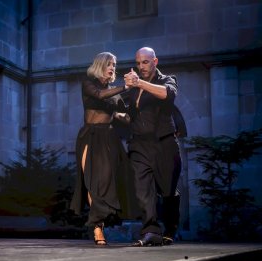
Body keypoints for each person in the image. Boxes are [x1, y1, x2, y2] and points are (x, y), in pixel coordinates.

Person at [124, 47, 182, 246]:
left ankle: (170, 228)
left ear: (155, 61)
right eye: (138, 63)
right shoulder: (132, 88)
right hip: (139, 145)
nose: (141, 67)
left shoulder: (167, 79)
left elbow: (167, 95)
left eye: (145, 62)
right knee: (143, 191)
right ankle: (151, 231)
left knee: (168, 191)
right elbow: (129, 114)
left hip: (164, 143)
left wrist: (140, 83)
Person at [70, 52, 130, 245]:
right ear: (100, 65)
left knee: (106, 181)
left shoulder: (114, 92)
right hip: (89, 136)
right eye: (109, 64)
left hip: (109, 138)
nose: (112, 67)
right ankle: (97, 228)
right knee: (90, 180)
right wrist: (125, 87)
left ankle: (98, 224)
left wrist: (131, 116)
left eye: (114, 64)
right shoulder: (88, 83)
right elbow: (98, 95)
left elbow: (122, 115)